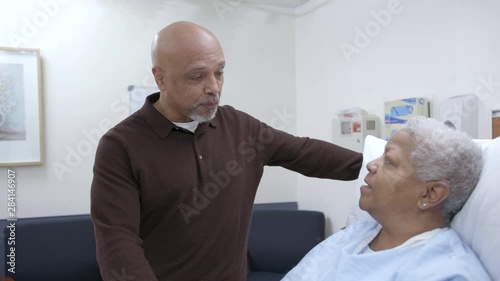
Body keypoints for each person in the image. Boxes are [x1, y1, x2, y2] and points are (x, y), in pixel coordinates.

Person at [90, 21, 363, 281]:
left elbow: (305, 152)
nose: (213, 88)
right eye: (197, 76)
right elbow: (117, 242)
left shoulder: (241, 127)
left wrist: (380, 164)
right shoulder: (120, 146)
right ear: (160, 78)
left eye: (219, 72)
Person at [282, 116, 491, 281]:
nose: (371, 164)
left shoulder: (448, 273)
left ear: (430, 194)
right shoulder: (352, 236)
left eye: (389, 161)